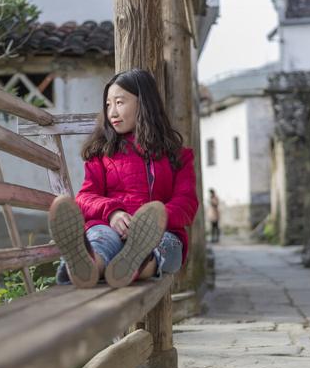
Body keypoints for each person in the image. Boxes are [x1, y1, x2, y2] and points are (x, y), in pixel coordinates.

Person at [48, 68, 199, 288]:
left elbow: (187, 203)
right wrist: (113, 212)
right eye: (108, 104)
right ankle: (88, 266)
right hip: (108, 226)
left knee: (165, 249)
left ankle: (136, 263)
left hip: (160, 233)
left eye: (120, 102)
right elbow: (85, 196)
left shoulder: (178, 156)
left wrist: (153, 220)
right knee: (101, 241)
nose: (112, 112)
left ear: (143, 103)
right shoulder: (101, 151)